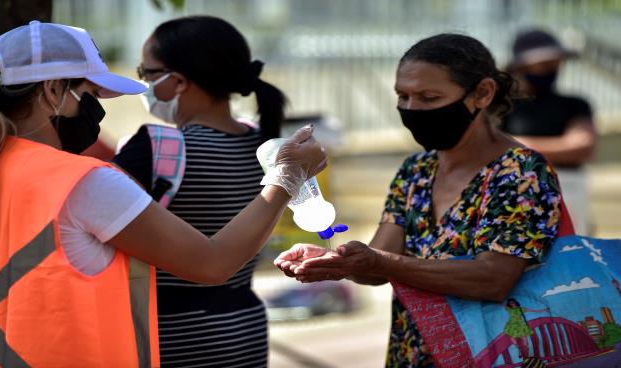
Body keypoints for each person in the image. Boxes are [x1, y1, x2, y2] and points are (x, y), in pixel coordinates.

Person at [0, 21, 325, 367]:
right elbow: (213, 264)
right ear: (52, 90)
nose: (98, 111)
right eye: (91, 94)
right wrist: (287, 177)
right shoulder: (85, 183)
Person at [274, 33, 565, 367]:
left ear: (482, 93)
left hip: (495, 355)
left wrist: (375, 262)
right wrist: (336, 260)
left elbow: (494, 278)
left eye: (429, 97)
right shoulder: (417, 169)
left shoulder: (521, 171)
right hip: (415, 353)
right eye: (403, 96)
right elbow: (378, 264)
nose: (412, 110)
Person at [113, 16, 287, 367]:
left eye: (147, 73)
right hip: (245, 326)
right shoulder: (264, 144)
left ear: (177, 82)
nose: (144, 83)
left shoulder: (153, 146)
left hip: (171, 334)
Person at [501, 29, 597, 235]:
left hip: (568, 186)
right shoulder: (503, 107)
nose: (552, 68)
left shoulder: (574, 104)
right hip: (516, 188)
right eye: (543, 64)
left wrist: (512, 144)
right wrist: (559, 146)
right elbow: (485, 147)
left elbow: (581, 147)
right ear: (522, 66)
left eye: (555, 63)